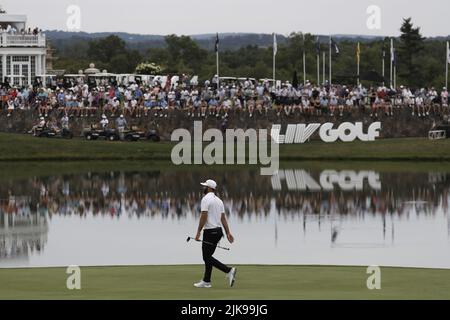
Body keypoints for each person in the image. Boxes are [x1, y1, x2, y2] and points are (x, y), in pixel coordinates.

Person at [194, 179, 237, 288]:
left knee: (207, 258)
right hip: (218, 232)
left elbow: (203, 216)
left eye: (205, 186)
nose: (203, 188)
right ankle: (206, 281)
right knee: (208, 256)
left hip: (210, 232)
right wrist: (228, 233)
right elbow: (223, 218)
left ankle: (228, 270)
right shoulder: (219, 200)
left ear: (209, 188)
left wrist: (198, 231)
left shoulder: (205, 199)